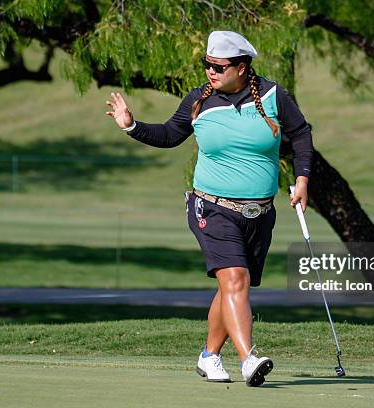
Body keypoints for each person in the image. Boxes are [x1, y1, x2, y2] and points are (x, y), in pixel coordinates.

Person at [105, 30, 313, 387]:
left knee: (230, 287)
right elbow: (171, 135)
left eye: (218, 66)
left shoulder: (274, 96)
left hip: (260, 213)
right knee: (236, 279)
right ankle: (249, 358)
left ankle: (209, 355)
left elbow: (302, 134)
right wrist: (132, 127)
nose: (210, 72)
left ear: (243, 67)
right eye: (206, 65)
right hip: (211, 208)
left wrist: (304, 180)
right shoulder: (199, 100)